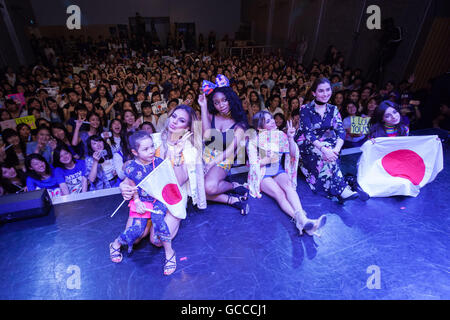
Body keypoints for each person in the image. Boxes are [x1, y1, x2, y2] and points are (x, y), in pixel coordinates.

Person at [120, 105, 206, 248]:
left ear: (189, 128)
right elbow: (133, 168)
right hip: (148, 197)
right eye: (174, 116)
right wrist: (123, 185)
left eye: (181, 120)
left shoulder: (190, 150)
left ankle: (171, 220)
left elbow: (178, 181)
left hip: (172, 197)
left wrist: (177, 154)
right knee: (133, 238)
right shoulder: (154, 140)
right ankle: (148, 222)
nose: (174, 121)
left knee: (157, 239)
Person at [248, 111, 326, 236]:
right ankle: (301, 220)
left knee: (288, 186)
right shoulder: (253, 141)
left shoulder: (280, 135)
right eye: (267, 121)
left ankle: (303, 220)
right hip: (263, 174)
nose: (273, 121)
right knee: (279, 194)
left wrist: (290, 138)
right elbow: (252, 164)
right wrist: (267, 159)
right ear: (259, 127)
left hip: (278, 170)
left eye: (271, 118)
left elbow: (293, 154)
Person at [110, 131, 177, 276]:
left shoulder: (159, 162)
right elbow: (133, 185)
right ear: (135, 152)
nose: (151, 151)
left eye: (152, 146)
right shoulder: (132, 167)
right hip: (142, 202)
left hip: (158, 199)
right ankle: (116, 243)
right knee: (137, 231)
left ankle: (169, 253)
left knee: (158, 218)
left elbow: (167, 182)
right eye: (145, 149)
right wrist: (137, 200)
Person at [297, 78, 365, 203]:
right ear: (314, 93)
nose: (325, 93)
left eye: (328, 90)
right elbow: (308, 134)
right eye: (321, 91)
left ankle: (340, 189)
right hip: (306, 142)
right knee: (326, 151)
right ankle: (342, 189)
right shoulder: (305, 109)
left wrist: (335, 150)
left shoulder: (333, 109)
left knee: (332, 148)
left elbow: (341, 131)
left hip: (325, 142)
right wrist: (325, 150)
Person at [198, 76, 250, 215]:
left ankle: (230, 185)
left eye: (224, 100)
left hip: (223, 160)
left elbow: (230, 150)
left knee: (207, 188)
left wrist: (210, 164)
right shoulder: (212, 115)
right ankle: (232, 198)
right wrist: (203, 107)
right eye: (216, 102)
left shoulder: (240, 124)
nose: (221, 105)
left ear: (231, 99)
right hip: (205, 156)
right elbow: (207, 137)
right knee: (195, 189)